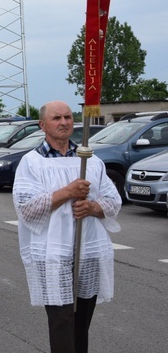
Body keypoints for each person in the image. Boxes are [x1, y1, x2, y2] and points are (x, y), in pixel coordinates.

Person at [13, 101, 121, 353]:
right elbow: (26, 207)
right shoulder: (32, 162)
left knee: (82, 320)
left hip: (88, 248)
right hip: (53, 252)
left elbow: (113, 200)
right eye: (56, 118)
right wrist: (66, 192)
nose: (64, 122)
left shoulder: (90, 160)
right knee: (62, 319)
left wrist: (94, 208)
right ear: (43, 125)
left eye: (68, 117)